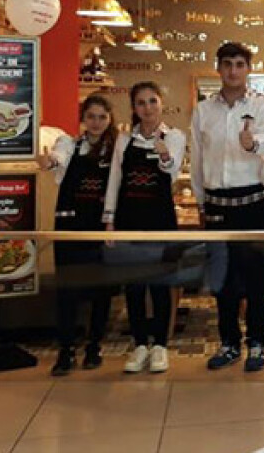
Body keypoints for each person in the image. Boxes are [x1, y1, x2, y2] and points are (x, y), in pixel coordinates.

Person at [191, 42, 264, 373]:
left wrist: (253, 142)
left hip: (254, 202)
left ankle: (257, 342)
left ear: (248, 69)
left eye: (239, 64)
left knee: (258, 279)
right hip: (217, 203)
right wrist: (200, 201)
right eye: (227, 64)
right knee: (222, 279)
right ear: (218, 68)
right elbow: (197, 159)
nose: (233, 70)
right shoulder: (203, 111)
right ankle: (228, 342)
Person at [103, 82, 186, 375]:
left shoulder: (174, 136)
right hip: (129, 219)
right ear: (134, 107)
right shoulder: (124, 140)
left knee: (161, 284)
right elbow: (114, 179)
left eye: (152, 101)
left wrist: (164, 155)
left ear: (161, 103)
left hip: (160, 219)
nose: (147, 108)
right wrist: (109, 219)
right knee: (134, 286)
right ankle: (139, 345)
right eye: (141, 103)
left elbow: (172, 173)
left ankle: (160, 346)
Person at [38, 95, 118, 376]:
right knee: (67, 290)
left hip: (101, 225)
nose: (96, 122)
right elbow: (56, 160)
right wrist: (48, 161)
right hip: (69, 225)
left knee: (101, 291)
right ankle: (66, 350)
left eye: (102, 117)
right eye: (91, 116)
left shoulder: (116, 150)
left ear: (110, 119)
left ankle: (94, 346)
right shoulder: (68, 144)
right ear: (83, 119)